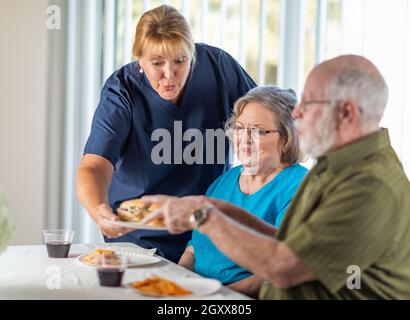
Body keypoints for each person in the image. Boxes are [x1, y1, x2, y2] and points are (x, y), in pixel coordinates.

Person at [142, 55, 410, 299]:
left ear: (347, 112)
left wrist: (202, 215)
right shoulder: (338, 167)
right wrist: (213, 207)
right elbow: (290, 242)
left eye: (310, 101)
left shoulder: (370, 185)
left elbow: (284, 266)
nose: (297, 114)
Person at [76, 5, 256, 263]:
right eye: (157, 63)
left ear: (192, 53)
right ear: (140, 58)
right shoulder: (122, 91)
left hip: (205, 230)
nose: (169, 75)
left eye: (180, 61)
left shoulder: (220, 68)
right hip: (139, 236)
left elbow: (266, 118)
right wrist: (99, 211)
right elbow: (94, 165)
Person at [178, 86, 307, 297]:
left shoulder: (300, 187)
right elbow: (193, 248)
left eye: (257, 131)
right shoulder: (223, 182)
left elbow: (280, 271)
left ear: (286, 138)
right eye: (239, 128)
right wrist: (176, 281)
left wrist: (215, 296)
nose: (244, 138)